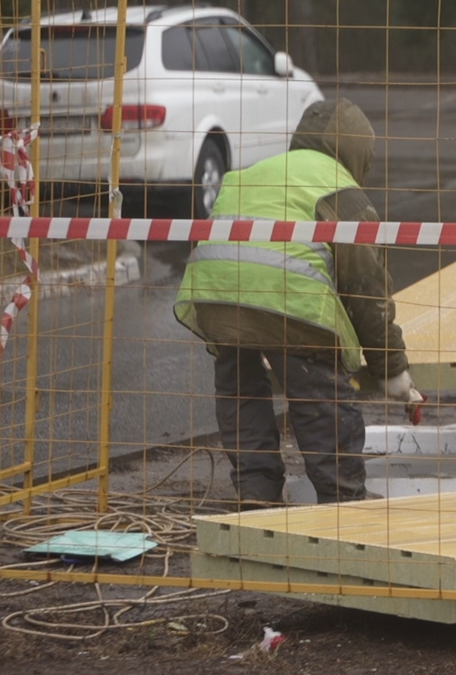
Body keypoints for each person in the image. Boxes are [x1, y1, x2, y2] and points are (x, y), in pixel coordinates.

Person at [172, 98, 422, 507]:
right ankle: (343, 497)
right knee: (317, 395)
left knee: (241, 393)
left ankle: (256, 495)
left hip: (215, 295)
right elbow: (365, 293)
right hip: (289, 302)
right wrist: (391, 367)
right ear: (358, 151)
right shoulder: (342, 193)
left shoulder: (253, 174)